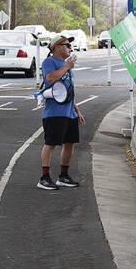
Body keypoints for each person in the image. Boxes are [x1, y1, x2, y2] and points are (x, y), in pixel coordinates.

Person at [37, 34, 86, 190]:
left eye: (70, 45)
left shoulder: (67, 66)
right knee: (50, 143)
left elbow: (68, 90)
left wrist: (76, 109)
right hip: (54, 112)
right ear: (57, 47)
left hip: (69, 112)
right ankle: (44, 177)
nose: (70, 48)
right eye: (67, 45)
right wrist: (66, 67)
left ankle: (63, 176)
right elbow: (49, 79)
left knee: (69, 144)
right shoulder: (49, 62)